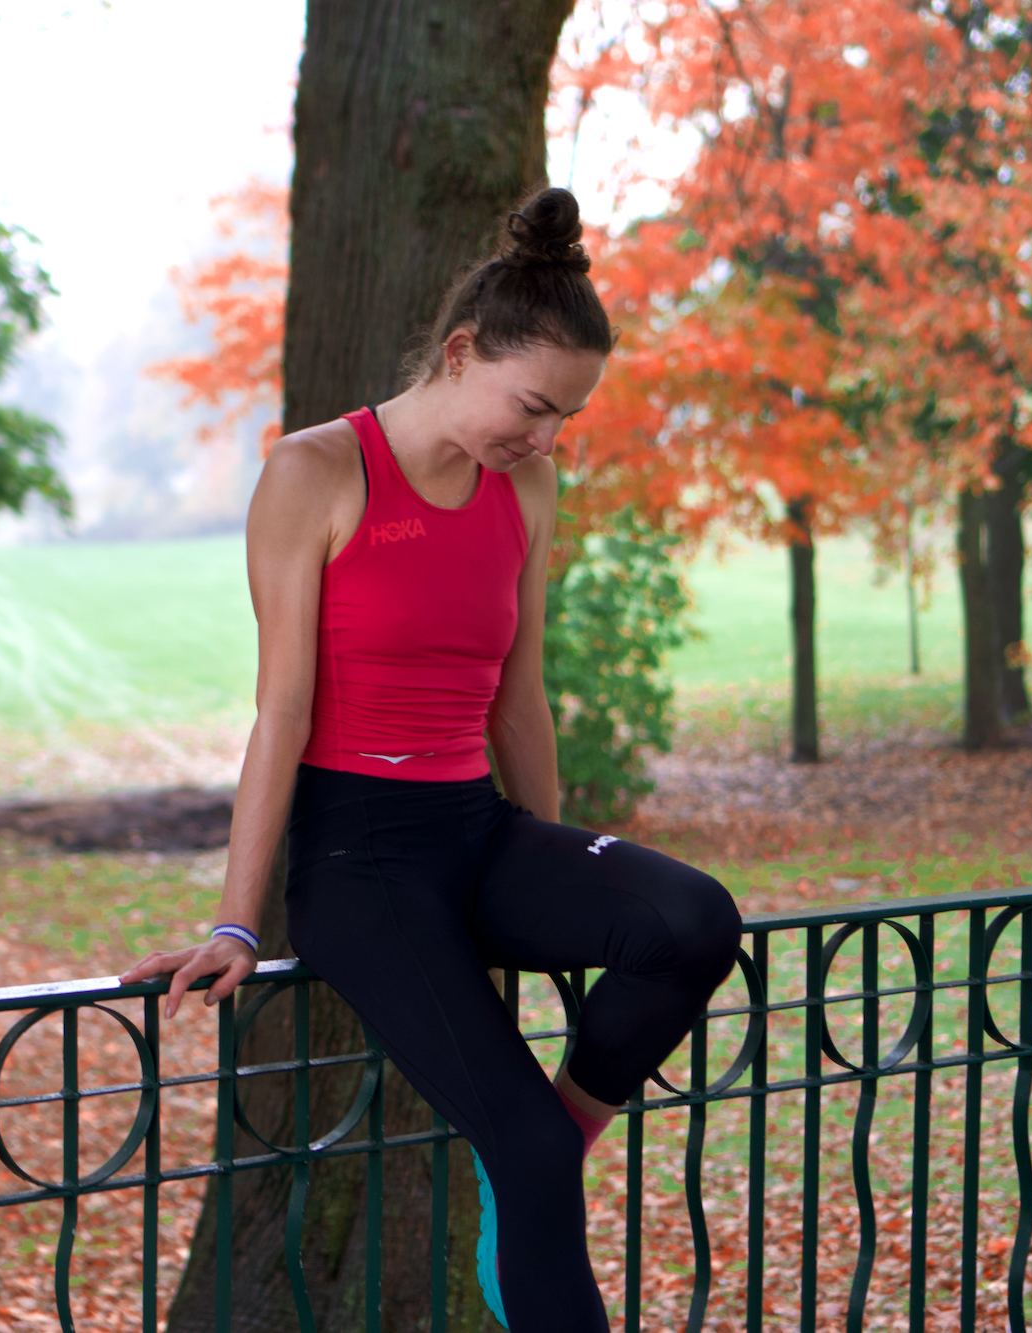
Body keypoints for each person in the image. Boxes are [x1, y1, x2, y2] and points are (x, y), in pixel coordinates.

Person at [122, 186, 741, 1332]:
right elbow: (282, 715)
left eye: (565, 418)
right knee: (529, 1164)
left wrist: (554, 860)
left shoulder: (526, 486)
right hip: (361, 862)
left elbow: (519, 697)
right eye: (533, 405)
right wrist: (237, 922)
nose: (545, 437)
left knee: (695, 921)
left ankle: (550, 1132)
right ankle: (534, 1157)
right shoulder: (314, 474)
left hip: (478, 830)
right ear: (461, 354)